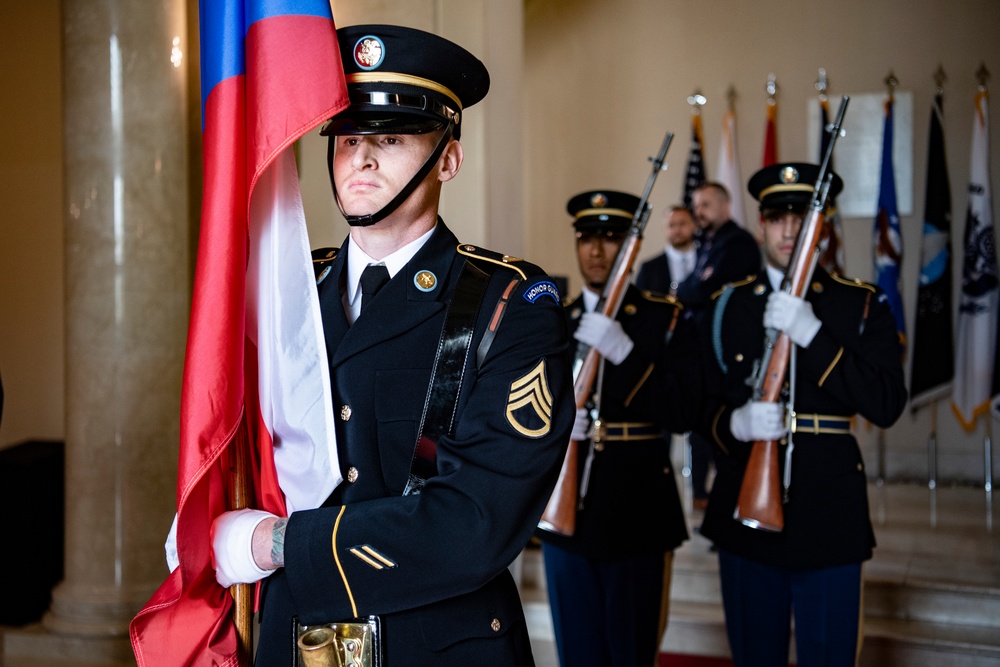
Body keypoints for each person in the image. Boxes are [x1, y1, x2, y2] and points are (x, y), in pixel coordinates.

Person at [209, 25, 574, 665]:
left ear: (449, 160)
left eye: (393, 138)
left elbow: (476, 523)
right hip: (298, 640)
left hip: (436, 647)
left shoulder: (510, 305)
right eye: (348, 138)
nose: (362, 159)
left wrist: (280, 543)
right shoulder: (281, 291)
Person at [698, 162, 907, 666]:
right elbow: (696, 404)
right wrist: (734, 423)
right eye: (776, 216)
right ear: (761, 223)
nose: (789, 229)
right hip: (744, 514)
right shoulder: (728, 305)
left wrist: (813, 335)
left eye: (802, 216)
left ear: (822, 225)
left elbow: (886, 404)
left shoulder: (858, 305)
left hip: (830, 515)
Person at [536, 190, 700, 667]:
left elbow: (683, 412)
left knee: (632, 651)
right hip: (568, 515)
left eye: (610, 238)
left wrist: (626, 354)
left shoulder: (663, 318)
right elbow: (523, 408)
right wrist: (559, 425)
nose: (596, 249)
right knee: (578, 654)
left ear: (630, 246)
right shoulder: (551, 319)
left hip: (639, 511)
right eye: (587, 237)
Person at [675, 182, 760, 510]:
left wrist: (684, 291)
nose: (699, 211)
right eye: (696, 205)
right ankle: (706, 499)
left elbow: (702, 289)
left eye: (706, 204)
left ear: (726, 207)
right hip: (706, 353)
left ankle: (737, 507)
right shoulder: (711, 244)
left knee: (727, 435)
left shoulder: (736, 243)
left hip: (727, 357)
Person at [636, 204, 698, 296]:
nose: (677, 230)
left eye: (682, 223)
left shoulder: (709, 261)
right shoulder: (649, 269)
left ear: (694, 225)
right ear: (664, 228)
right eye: (671, 225)